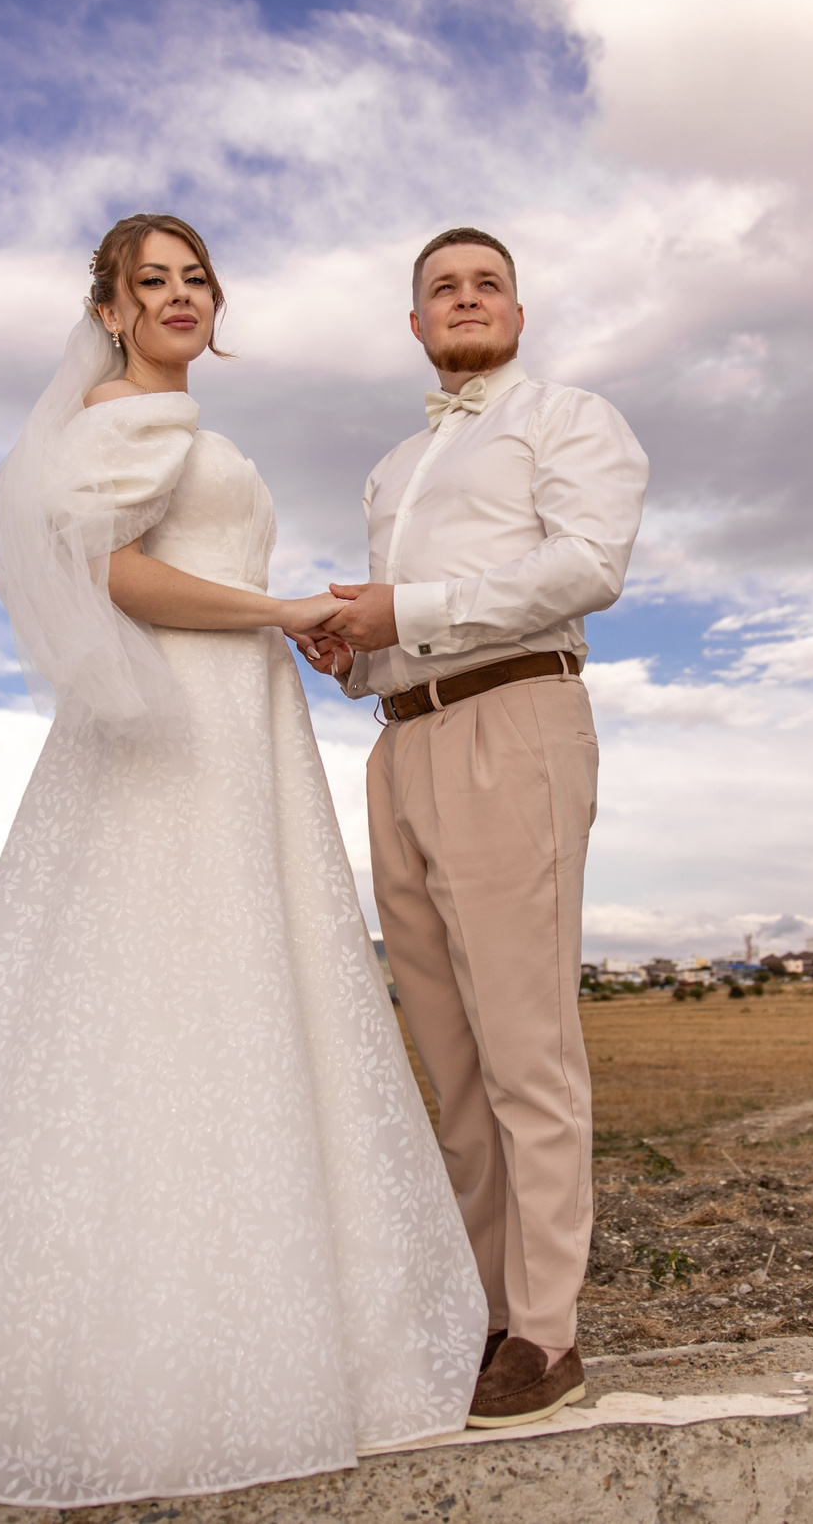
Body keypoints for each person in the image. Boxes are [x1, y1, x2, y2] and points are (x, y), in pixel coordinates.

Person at [0, 215, 484, 1509]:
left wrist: (287, 624)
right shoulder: (131, 416)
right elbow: (114, 576)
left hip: (227, 710)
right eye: (149, 280)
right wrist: (283, 610)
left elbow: (174, 565)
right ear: (108, 310)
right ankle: (180, 1369)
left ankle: (242, 1346)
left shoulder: (167, 421)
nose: (177, 295)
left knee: (209, 997)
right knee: (180, 991)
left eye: (194, 277)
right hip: (185, 721)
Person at [298, 226, 649, 1429]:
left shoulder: (568, 419)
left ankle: (548, 1334)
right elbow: (401, 629)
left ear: (516, 311)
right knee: (449, 1057)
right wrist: (353, 649)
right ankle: (488, 1315)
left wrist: (409, 609)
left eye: (485, 284)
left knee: (523, 1045)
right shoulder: (391, 469)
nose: (464, 299)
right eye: (441, 288)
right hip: (402, 739)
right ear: (414, 324)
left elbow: (587, 566)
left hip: (516, 722)